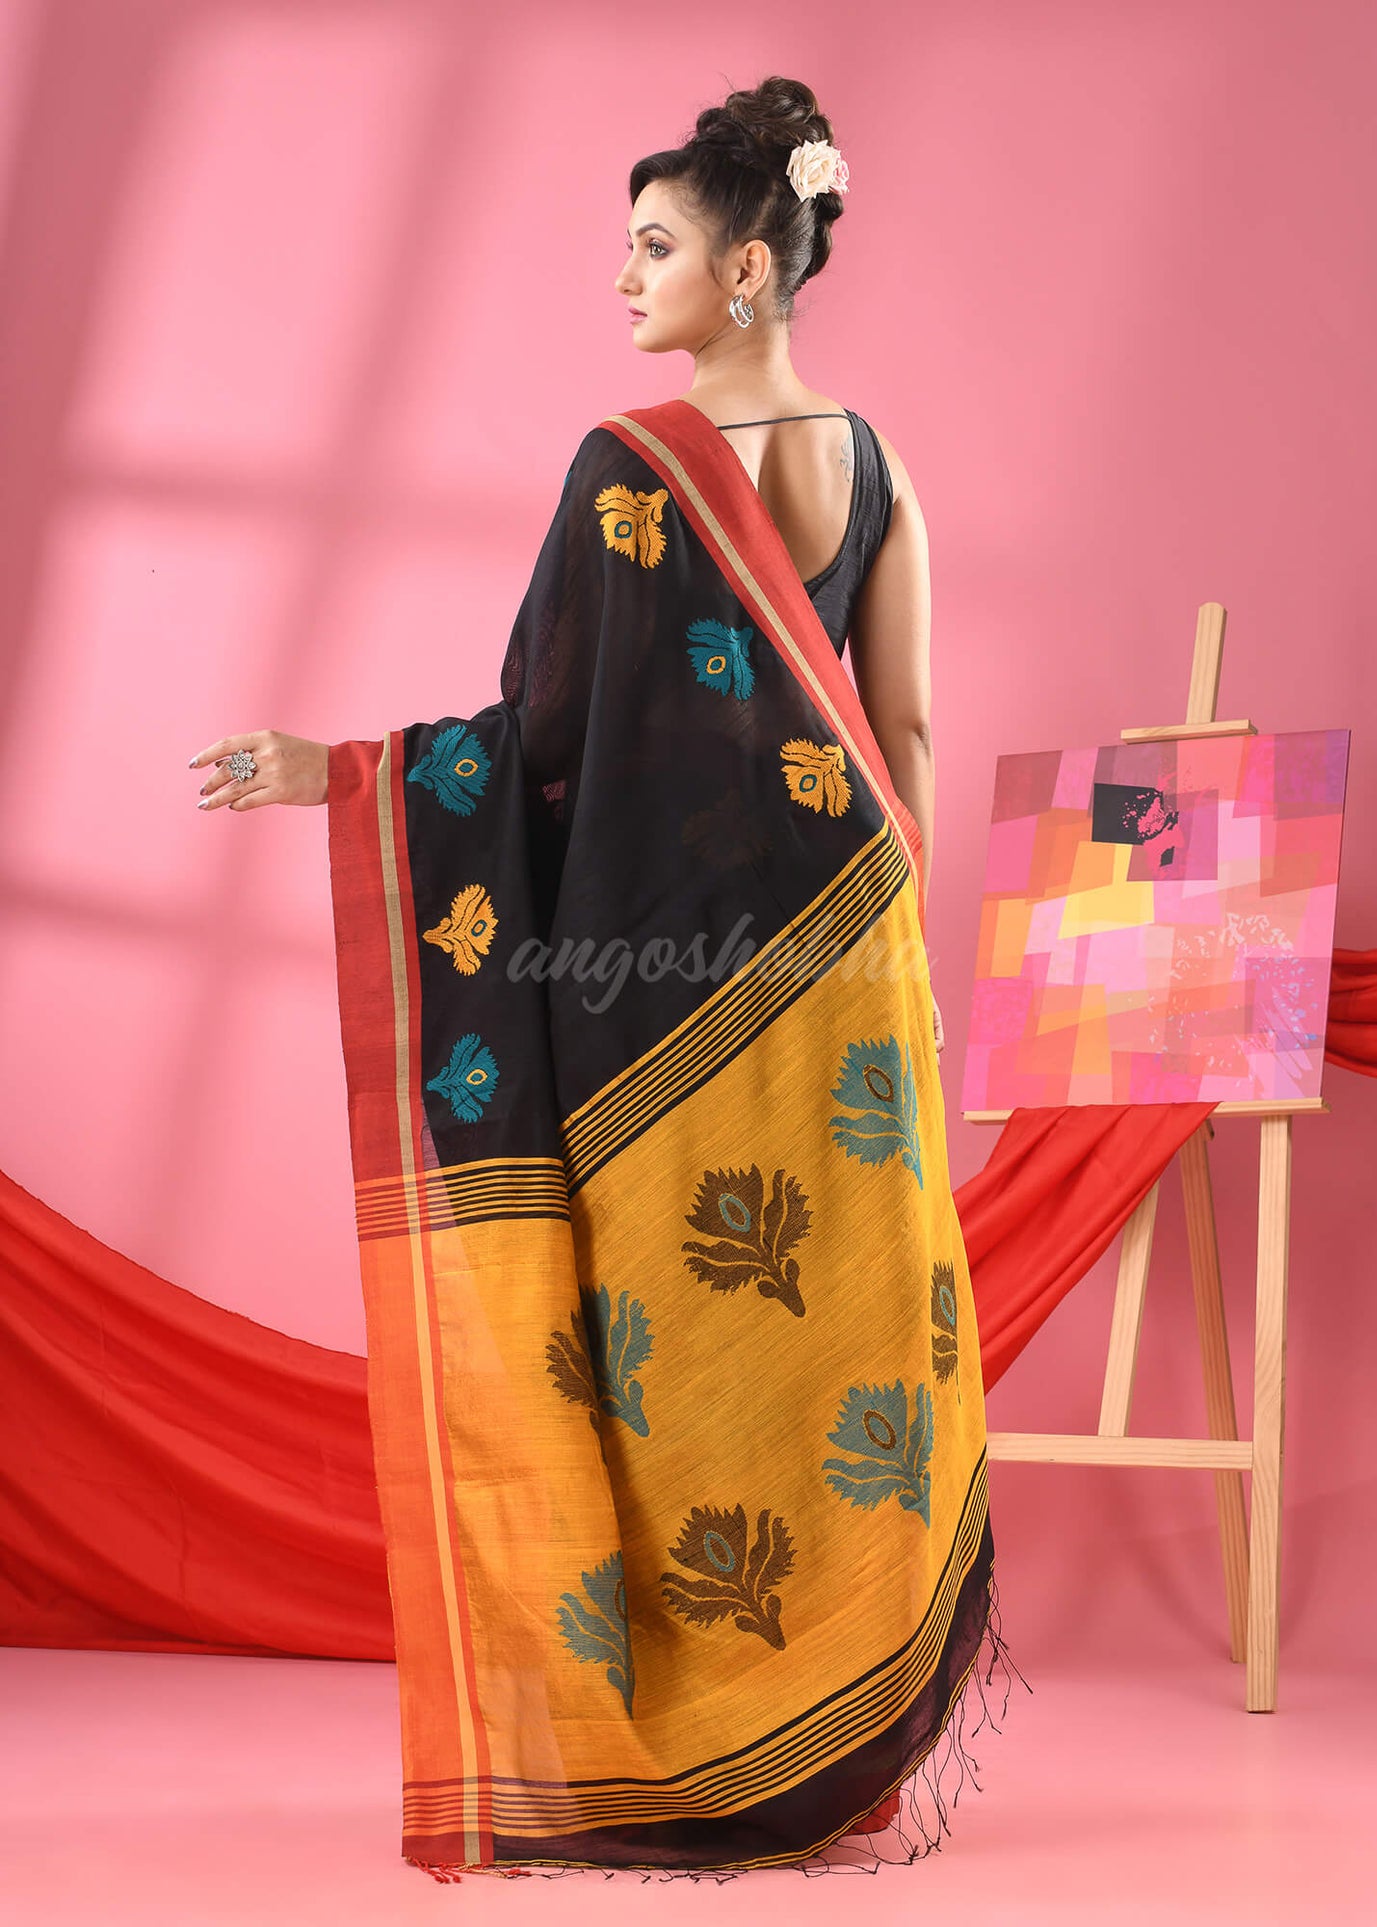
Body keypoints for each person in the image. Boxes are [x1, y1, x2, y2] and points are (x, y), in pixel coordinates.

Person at [188, 74, 1006, 1883]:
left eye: (652, 247)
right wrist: (893, 959)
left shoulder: (627, 466)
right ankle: (818, 1748)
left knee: (675, 1341)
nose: (623, 280)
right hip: (853, 959)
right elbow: (908, 734)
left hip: (663, 993)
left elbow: (539, 744)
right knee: (834, 1338)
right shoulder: (879, 470)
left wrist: (341, 771)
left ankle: (700, 1742)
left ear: (746, 266)